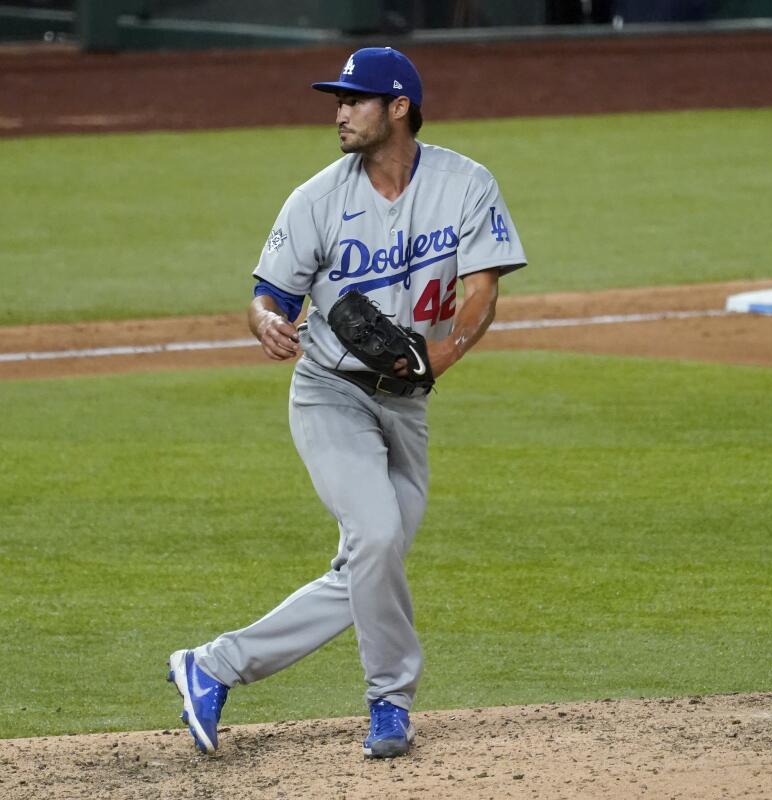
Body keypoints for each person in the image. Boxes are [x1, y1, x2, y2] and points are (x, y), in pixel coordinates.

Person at [167, 46, 527, 759]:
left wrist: (441, 357)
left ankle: (210, 665)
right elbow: (270, 296)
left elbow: (482, 287)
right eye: (338, 100)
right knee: (376, 536)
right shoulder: (317, 199)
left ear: (399, 108)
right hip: (330, 393)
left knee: (372, 557)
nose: (339, 112)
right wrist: (266, 320)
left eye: (353, 100)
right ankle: (389, 703)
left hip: (409, 401)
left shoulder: (465, 183)